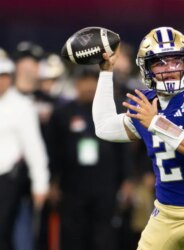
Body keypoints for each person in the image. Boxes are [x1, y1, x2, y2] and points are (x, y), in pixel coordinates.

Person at [92, 26, 184, 250]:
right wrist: (106, 72)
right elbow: (104, 127)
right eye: (159, 62)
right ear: (146, 68)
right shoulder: (146, 105)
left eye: (175, 61)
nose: (168, 69)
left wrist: (156, 123)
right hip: (165, 214)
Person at [46, 66, 130, 250]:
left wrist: (127, 180)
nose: (89, 86)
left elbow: (125, 148)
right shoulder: (62, 113)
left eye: (94, 81)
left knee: (105, 236)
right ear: (76, 84)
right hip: (72, 186)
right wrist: (52, 181)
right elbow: (54, 151)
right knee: (73, 237)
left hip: (106, 185)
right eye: (84, 80)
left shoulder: (115, 109)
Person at [0, 52, 49, 250]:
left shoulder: (22, 106)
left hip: (7, 180)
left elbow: (34, 148)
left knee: (4, 234)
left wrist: (40, 184)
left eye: (4, 76)